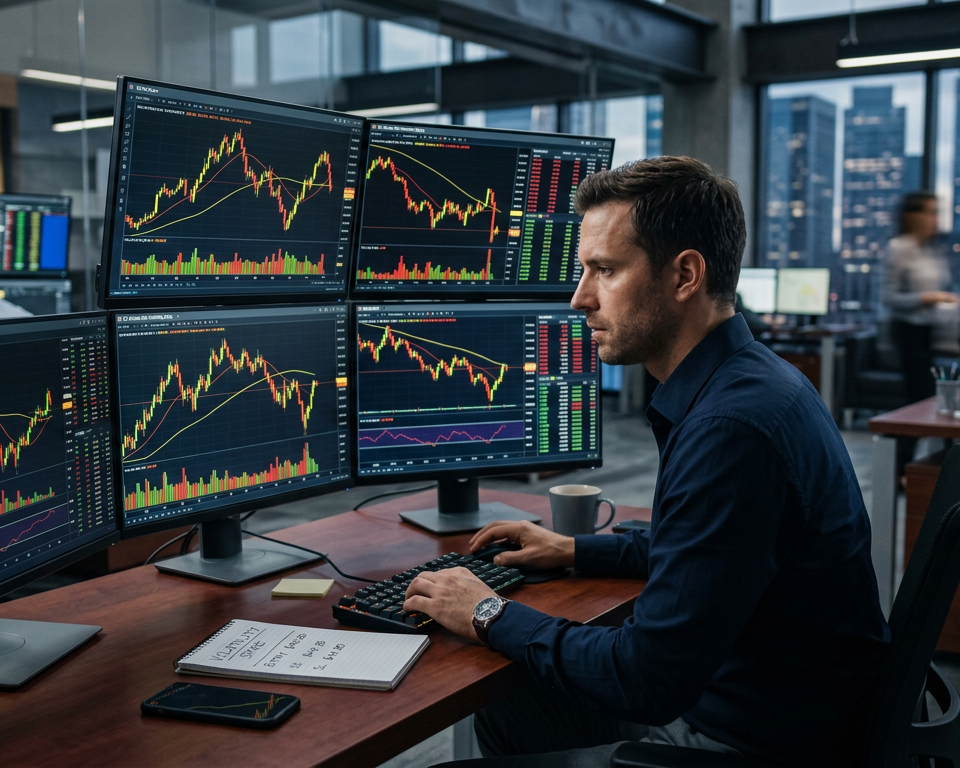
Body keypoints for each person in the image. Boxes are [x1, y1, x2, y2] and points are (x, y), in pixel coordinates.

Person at [404, 156, 891, 767]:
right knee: (511, 699)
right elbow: (706, 552)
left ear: (685, 274)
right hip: (791, 705)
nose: (579, 298)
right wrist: (576, 550)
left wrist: (485, 609)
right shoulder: (755, 382)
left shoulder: (730, 429)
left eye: (603, 270)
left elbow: (647, 679)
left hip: (752, 743)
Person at [881, 191, 959, 476]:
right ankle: (901, 470)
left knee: (937, 400)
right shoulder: (899, 248)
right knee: (916, 400)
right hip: (907, 333)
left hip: (932, 333)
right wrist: (926, 298)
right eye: (930, 211)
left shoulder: (933, 250)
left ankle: (938, 469)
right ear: (912, 216)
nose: (935, 218)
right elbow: (888, 298)